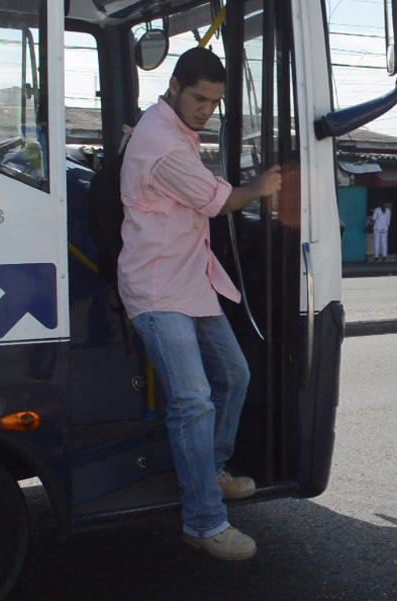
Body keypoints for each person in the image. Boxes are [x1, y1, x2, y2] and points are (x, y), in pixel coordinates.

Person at [117, 47, 281, 562]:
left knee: (233, 376)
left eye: (214, 103)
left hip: (190, 281)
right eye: (198, 98)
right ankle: (204, 521)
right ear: (174, 87)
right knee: (192, 402)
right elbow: (220, 201)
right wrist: (261, 186)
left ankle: (210, 469)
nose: (205, 110)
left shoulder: (172, 130)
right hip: (157, 290)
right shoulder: (164, 146)